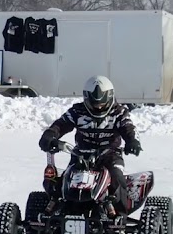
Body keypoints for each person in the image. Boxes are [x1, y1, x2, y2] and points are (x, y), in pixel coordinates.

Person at [38, 75, 141, 218]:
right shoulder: (77, 112)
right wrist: (49, 135)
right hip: (81, 155)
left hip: (110, 155)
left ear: (110, 98)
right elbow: (60, 124)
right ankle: (57, 212)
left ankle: (119, 219)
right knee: (61, 182)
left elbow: (128, 128)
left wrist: (133, 142)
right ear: (86, 99)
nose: (98, 107)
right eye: (94, 103)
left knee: (117, 179)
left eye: (102, 104)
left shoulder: (119, 112)